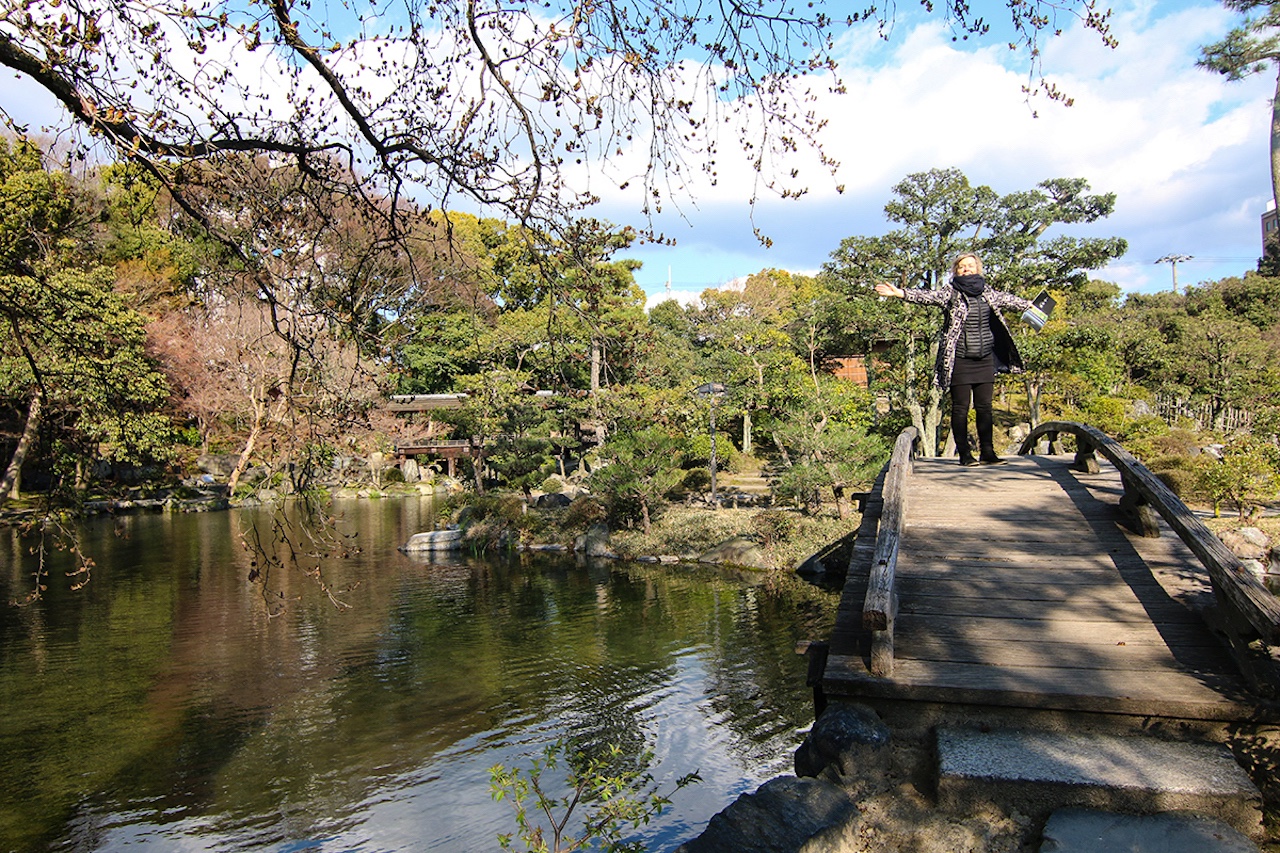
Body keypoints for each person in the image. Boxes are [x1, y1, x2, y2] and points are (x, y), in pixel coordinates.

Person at [874, 253, 1033, 466]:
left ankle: (988, 453)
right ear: (955, 271)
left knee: (985, 407)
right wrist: (900, 293)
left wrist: (1032, 306)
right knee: (961, 407)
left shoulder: (988, 293)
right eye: (961, 267)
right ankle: (965, 455)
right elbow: (927, 297)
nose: (966, 269)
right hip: (960, 358)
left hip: (985, 357)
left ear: (978, 268)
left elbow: (1011, 301)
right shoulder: (951, 293)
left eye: (970, 266)